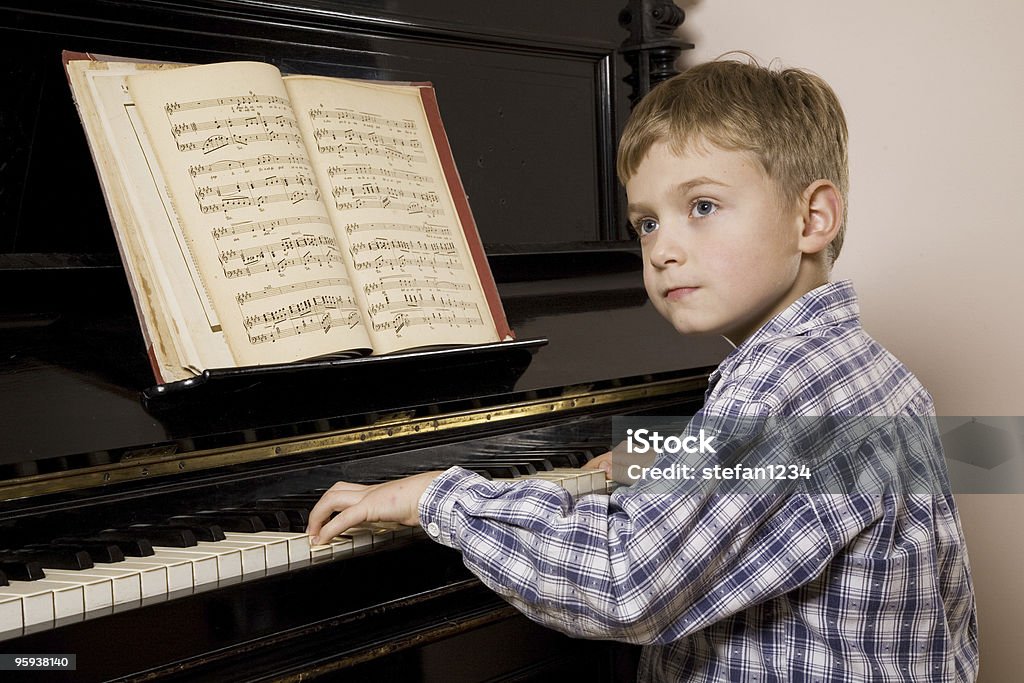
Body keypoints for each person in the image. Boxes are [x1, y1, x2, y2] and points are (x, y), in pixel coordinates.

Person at [306, 57, 979, 681]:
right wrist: (668, 455)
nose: (662, 250)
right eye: (646, 223)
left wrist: (437, 498)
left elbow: (626, 581)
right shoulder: (857, 368)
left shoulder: (779, 383)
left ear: (813, 218)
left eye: (703, 207)